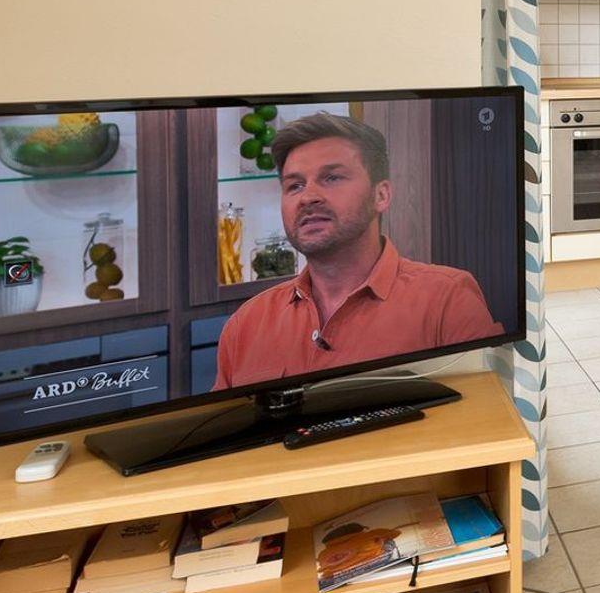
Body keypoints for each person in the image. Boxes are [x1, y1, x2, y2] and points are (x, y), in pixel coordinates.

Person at [213, 112, 501, 389]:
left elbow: (489, 414)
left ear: (381, 195)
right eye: (295, 185)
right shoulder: (245, 325)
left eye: (332, 178)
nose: (308, 197)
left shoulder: (447, 301)